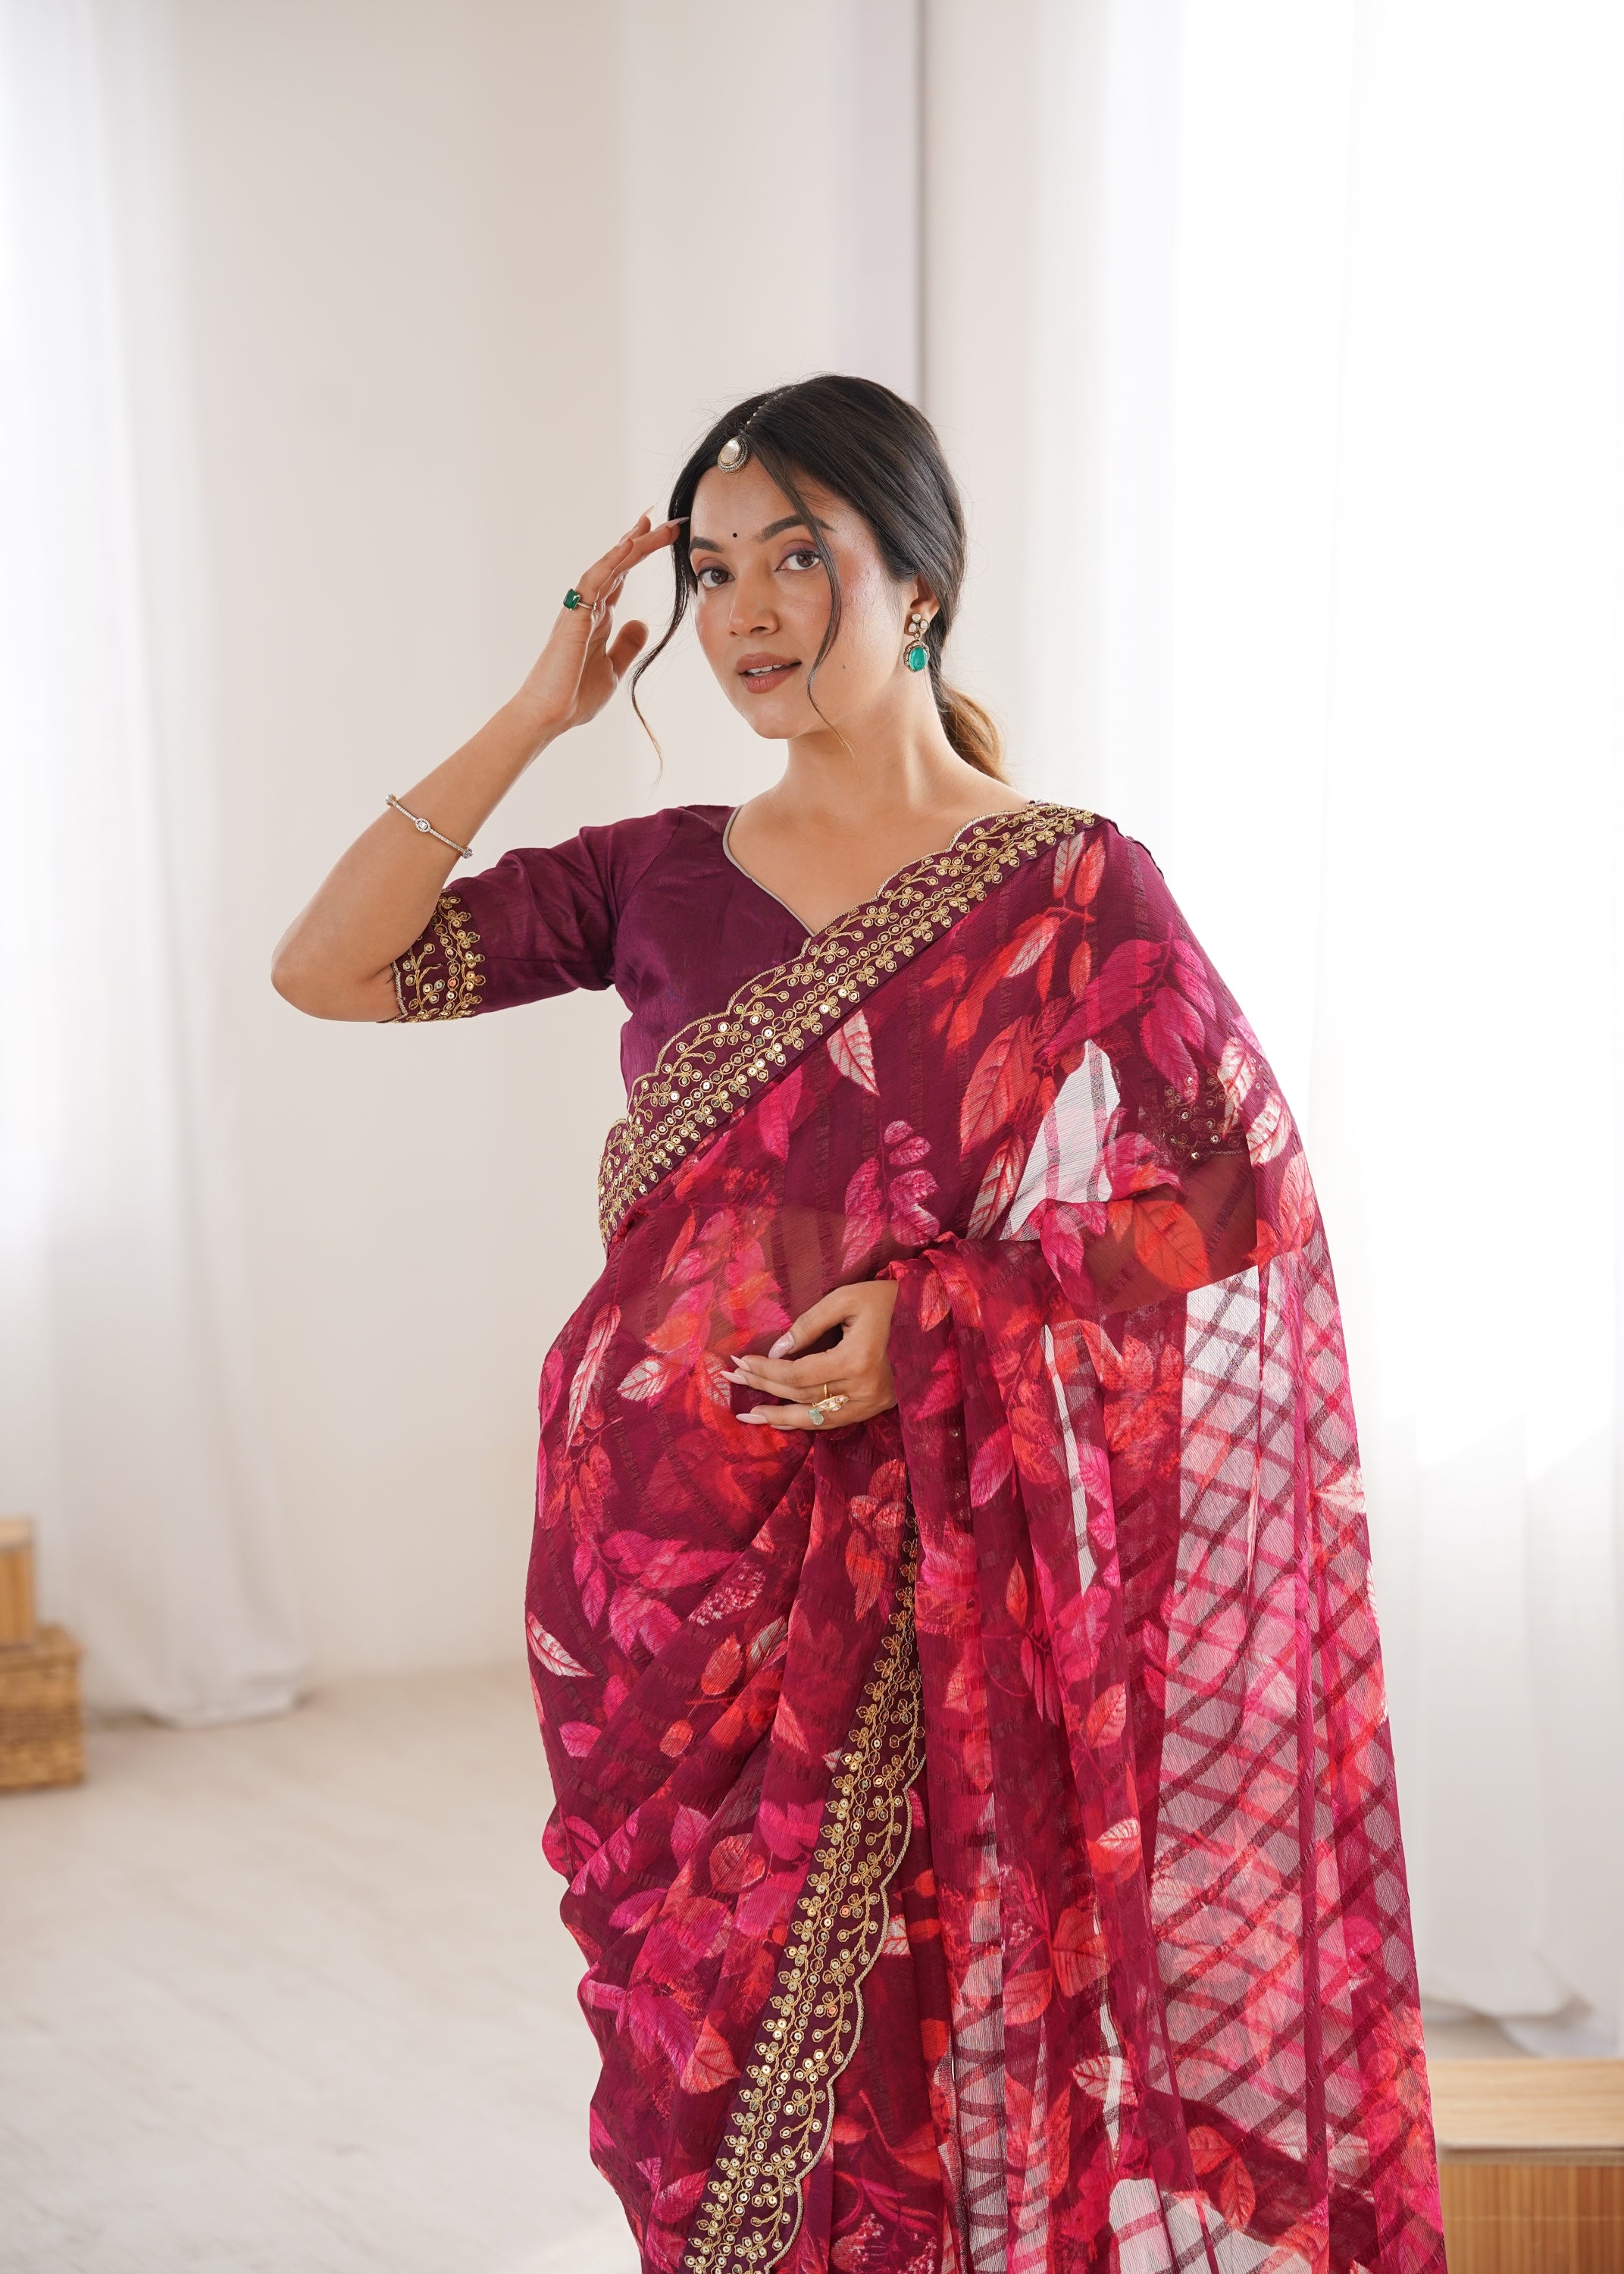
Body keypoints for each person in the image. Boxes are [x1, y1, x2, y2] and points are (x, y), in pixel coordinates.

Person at [273, 375, 1444, 2274]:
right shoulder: (653, 872)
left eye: (796, 558)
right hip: (647, 1553)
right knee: (689, 2047)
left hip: (913, 1552)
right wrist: (537, 714)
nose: (743, 611)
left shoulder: (1067, 882)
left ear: (919, 584)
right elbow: (329, 970)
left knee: (911, 2015)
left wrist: (940, 1319)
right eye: (712, 569)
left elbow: (1233, 1191)